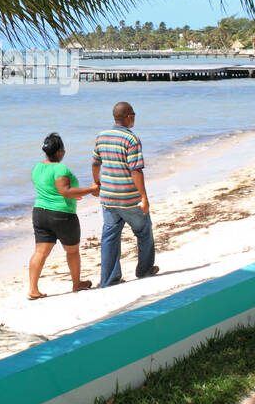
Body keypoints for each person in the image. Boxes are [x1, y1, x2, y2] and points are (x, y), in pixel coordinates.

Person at [91, 101, 159, 287]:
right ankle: (144, 270)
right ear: (129, 116)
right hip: (128, 198)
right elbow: (136, 170)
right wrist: (144, 197)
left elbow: (96, 163)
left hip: (108, 197)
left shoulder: (101, 136)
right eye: (134, 114)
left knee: (110, 237)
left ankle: (109, 279)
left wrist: (97, 183)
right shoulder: (131, 139)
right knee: (144, 231)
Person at [27, 133, 100, 300]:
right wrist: (91, 190)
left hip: (40, 213)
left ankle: (33, 289)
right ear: (59, 151)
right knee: (72, 250)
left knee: (40, 252)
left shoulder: (37, 167)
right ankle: (76, 283)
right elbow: (65, 192)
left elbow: (50, 189)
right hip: (62, 215)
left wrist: (74, 194)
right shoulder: (61, 168)